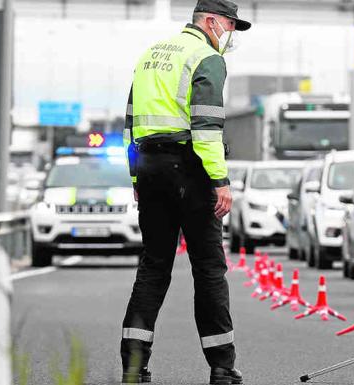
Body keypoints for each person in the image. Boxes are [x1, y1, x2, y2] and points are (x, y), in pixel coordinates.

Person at [120, 1, 250, 383]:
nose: (229, 35)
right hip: (190, 169)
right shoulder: (206, 57)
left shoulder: (150, 56)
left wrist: (135, 181)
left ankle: (133, 367)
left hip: (149, 168)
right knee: (209, 268)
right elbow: (206, 127)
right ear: (211, 21)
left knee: (153, 267)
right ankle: (222, 369)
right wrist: (220, 181)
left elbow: (130, 124)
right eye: (228, 26)